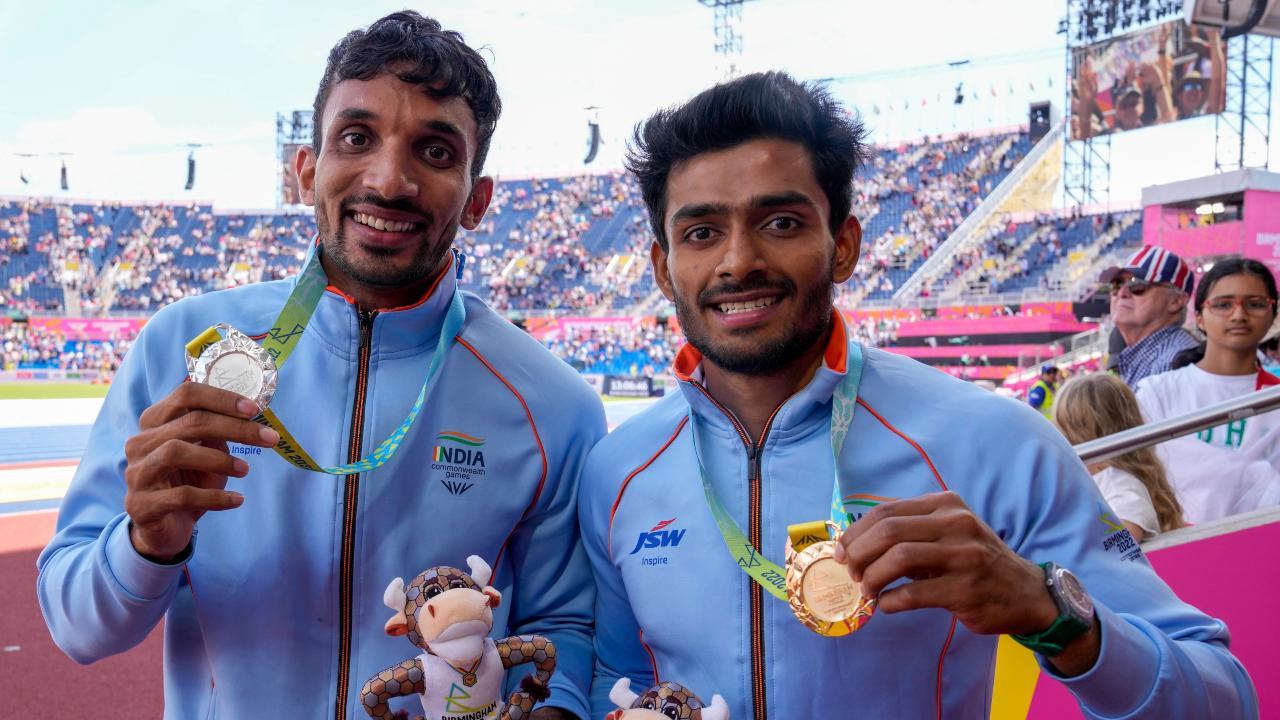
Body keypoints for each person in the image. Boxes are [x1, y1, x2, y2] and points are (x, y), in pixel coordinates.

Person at [578, 71, 1256, 720]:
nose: (737, 261)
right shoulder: (618, 471)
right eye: (701, 233)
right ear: (665, 268)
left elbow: (1223, 698)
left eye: (780, 222)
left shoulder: (992, 439)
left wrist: (1051, 614)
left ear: (843, 246)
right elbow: (621, 682)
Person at [37, 12, 602, 720]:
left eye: (434, 150)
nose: (389, 180)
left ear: (478, 199)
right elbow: (76, 627)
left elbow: (566, 630)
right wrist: (147, 544)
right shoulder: (183, 345)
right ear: (306, 171)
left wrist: (550, 707)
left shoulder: (551, 403)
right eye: (356, 138)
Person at [1136, 257, 1280, 524]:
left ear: (1273, 315)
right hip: (1174, 548)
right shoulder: (1156, 393)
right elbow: (1135, 482)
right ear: (1200, 318)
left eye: (1255, 304)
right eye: (1223, 305)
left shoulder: (1274, 397)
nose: (1239, 315)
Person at [1053, 372, 1185, 542]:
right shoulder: (1105, 480)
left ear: (1081, 437)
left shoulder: (1117, 483)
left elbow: (1123, 540)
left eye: (1062, 433)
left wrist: (1073, 551)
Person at [1100, 245, 1199, 387]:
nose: (1122, 292)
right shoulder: (1150, 357)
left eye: (1138, 284)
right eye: (1117, 283)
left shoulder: (1174, 363)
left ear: (1176, 301)